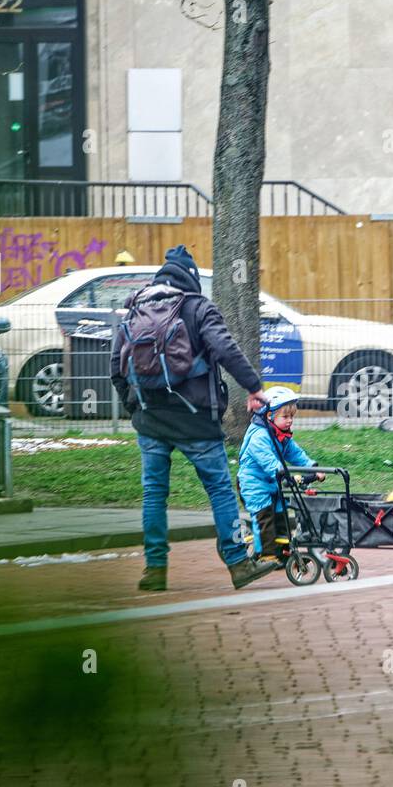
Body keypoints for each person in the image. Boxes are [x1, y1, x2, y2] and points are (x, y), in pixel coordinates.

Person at [110, 245, 276, 592]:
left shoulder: (134, 311)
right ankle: (237, 562)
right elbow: (226, 349)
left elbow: (116, 367)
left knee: (154, 493)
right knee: (219, 490)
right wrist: (254, 387)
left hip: (151, 420)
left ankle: (154, 570)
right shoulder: (198, 307)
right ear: (191, 279)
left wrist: (136, 410)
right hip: (197, 420)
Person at [237, 386, 324, 567]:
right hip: (253, 484)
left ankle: (283, 553)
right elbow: (269, 463)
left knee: (281, 515)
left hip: (273, 482)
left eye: (292, 416)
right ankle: (266, 556)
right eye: (285, 416)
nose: (290, 420)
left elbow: (295, 454)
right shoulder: (259, 437)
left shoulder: (282, 435)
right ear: (269, 416)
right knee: (265, 517)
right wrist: (285, 476)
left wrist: (312, 468)